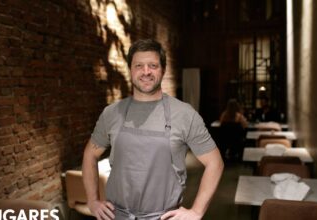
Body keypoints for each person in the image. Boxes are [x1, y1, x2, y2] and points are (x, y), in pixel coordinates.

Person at [82, 39, 224, 220]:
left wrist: (196, 211)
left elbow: (215, 163)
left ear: (163, 70)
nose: (146, 72)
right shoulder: (112, 113)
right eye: (139, 65)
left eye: (153, 65)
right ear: (130, 70)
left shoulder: (184, 114)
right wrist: (93, 201)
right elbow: (89, 155)